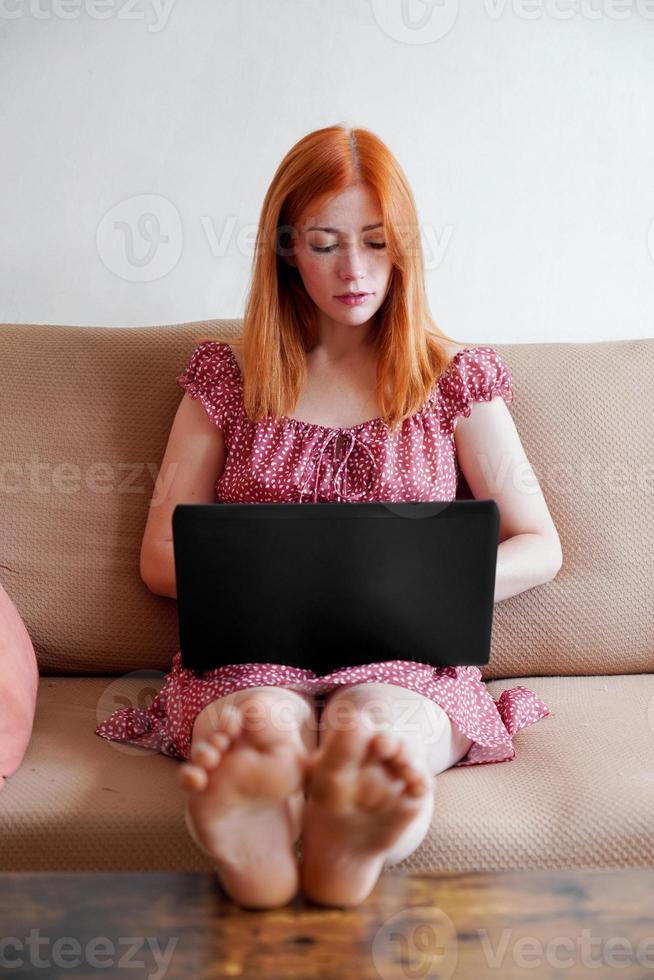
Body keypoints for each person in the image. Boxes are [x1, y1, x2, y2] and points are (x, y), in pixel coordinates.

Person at [95, 124, 562, 911]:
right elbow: (158, 557)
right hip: (252, 652)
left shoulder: (452, 379)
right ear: (285, 249)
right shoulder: (227, 378)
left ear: (405, 247)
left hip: (405, 658)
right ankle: (258, 847)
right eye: (324, 243)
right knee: (259, 724)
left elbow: (540, 545)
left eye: (376, 243)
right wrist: (280, 580)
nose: (354, 270)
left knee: (374, 732)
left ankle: (351, 844)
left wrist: (422, 579)